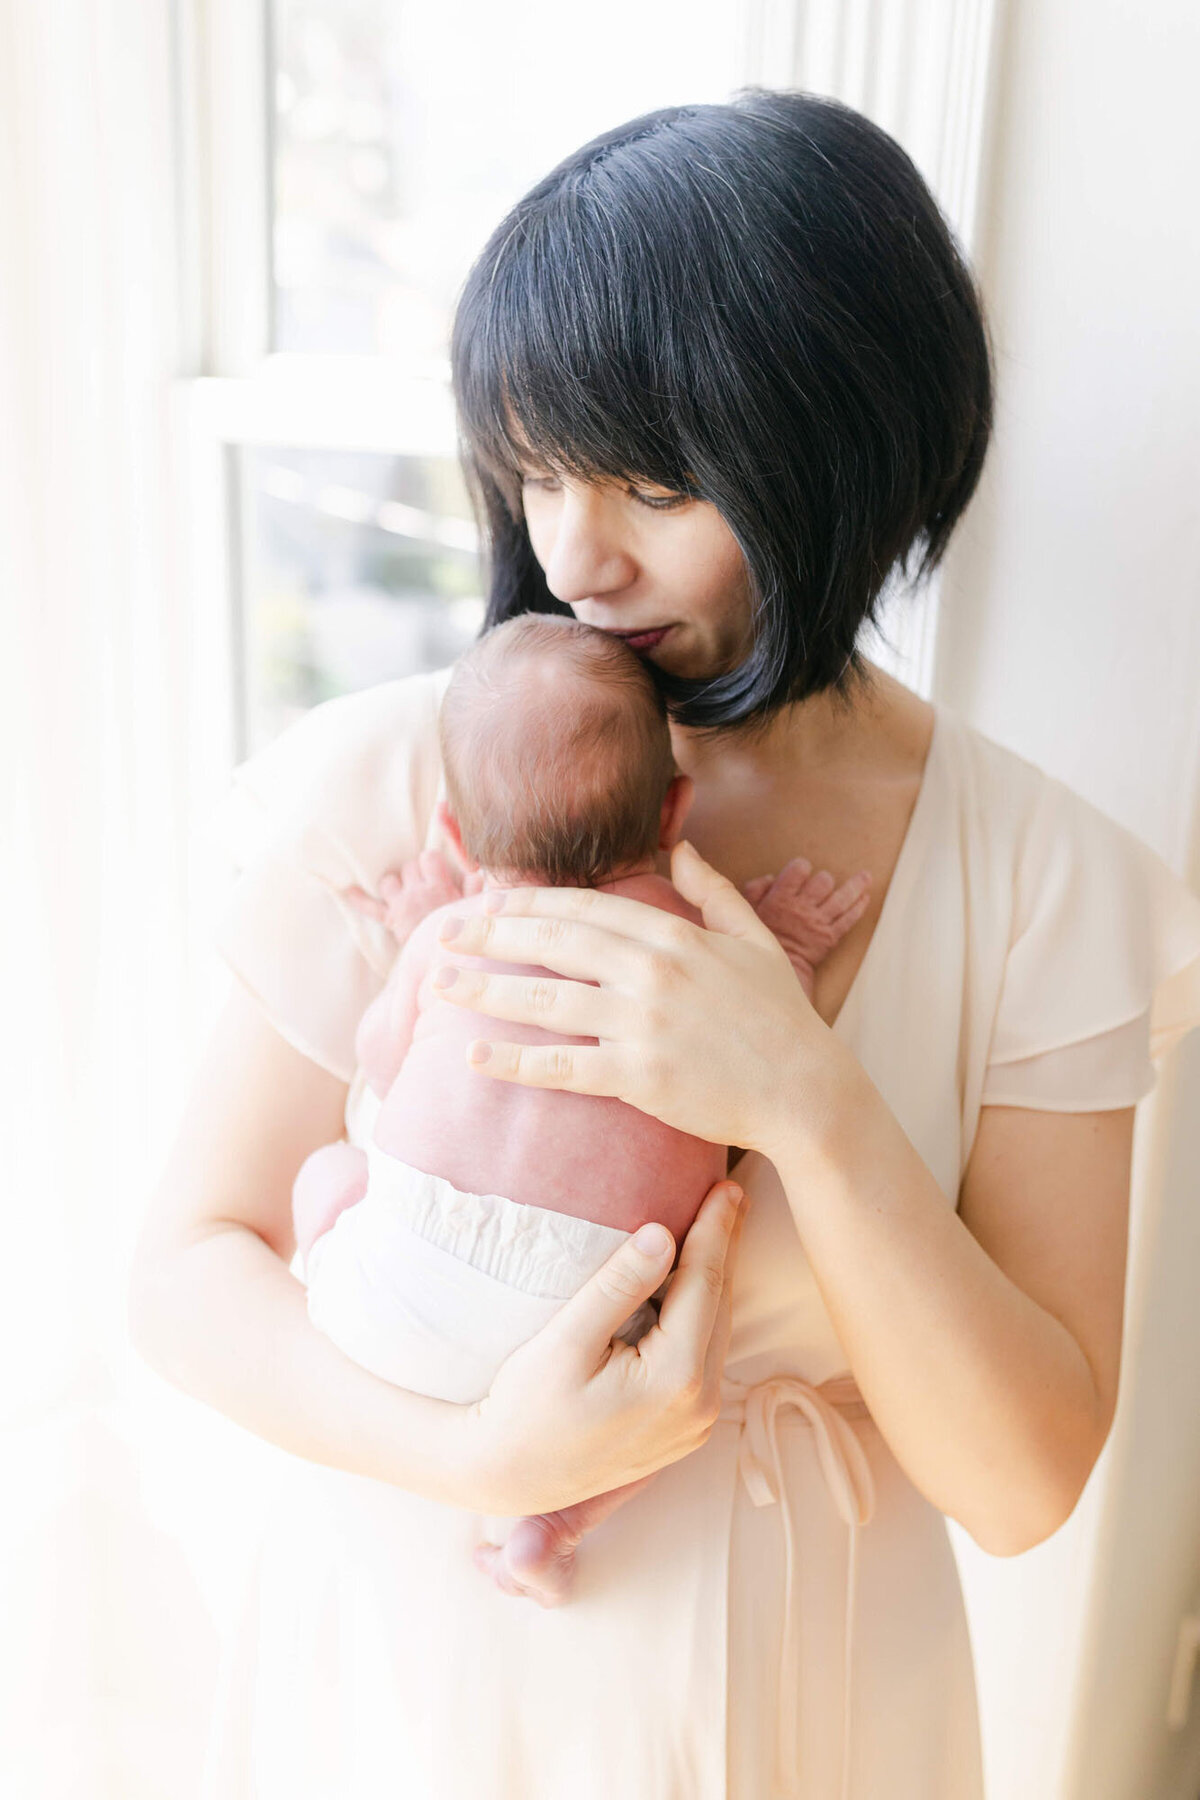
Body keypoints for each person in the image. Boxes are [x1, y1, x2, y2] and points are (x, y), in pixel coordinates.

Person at [129, 89, 1200, 1800]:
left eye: (654, 479)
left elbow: (1019, 1488)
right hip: (417, 1688)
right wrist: (482, 1458)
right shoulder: (421, 775)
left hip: (816, 1708)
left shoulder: (1043, 879)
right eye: (539, 465)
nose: (575, 554)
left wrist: (807, 1100)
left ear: (843, 446)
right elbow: (188, 1268)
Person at [292, 611, 869, 1608]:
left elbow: (378, 1061)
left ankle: (344, 1318)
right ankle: (551, 1524)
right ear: (673, 810)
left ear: (458, 837)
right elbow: (757, 1078)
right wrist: (792, 954)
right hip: (590, 1309)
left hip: (397, 1286)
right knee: (677, 1393)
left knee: (327, 1177)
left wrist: (420, 936)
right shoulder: (704, 960)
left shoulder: (457, 929)